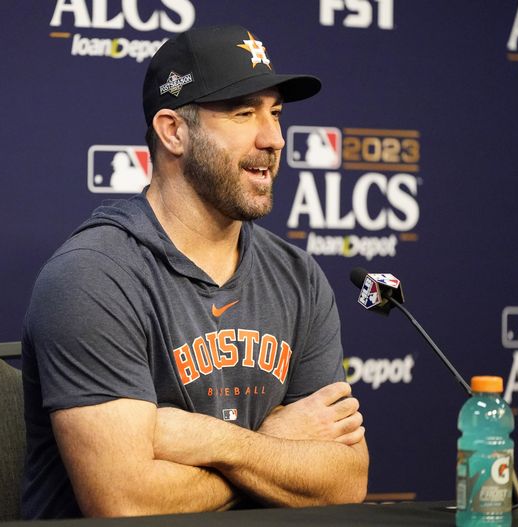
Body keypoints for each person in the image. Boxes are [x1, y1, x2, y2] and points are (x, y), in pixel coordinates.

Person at [21, 24, 369, 519]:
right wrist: (274, 450)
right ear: (173, 131)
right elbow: (126, 502)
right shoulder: (92, 276)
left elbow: (345, 479)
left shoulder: (298, 275)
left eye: (276, 114)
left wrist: (219, 442)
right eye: (243, 113)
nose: (273, 139)